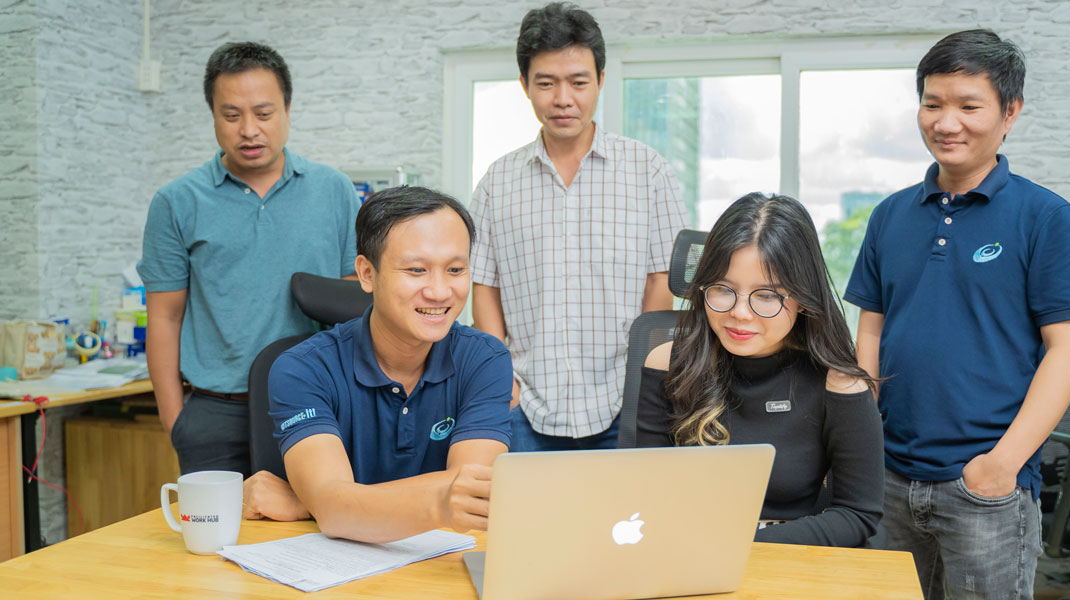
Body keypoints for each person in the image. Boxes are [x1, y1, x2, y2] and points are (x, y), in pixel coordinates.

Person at [845, 30, 1070, 599]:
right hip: (890, 479)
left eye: (969, 106)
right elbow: (871, 328)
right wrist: (863, 442)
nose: (946, 122)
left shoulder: (1046, 217)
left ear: (1010, 112)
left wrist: (1001, 466)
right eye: (933, 103)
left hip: (985, 489)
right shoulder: (889, 216)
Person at [471, 2, 687, 452]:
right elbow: (485, 288)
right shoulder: (498, 181)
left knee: (621, 522)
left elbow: (660, 283)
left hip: (623, 402)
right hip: (524, 405)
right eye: (546, 83)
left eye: (578, 82)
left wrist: (642, 381)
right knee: (525, 522)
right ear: (525, 86)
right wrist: (500, 382)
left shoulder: (647, 170)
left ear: (601, 81)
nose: (563, 99)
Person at [240, 186, 512, 542]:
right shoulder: (301, 368)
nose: (440, 291)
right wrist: (332, 506)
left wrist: (316, 504)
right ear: (367, 274)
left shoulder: (485, 360)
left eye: (456, 269)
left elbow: (472, 496)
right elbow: (338, 510)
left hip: (441, 566)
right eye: (416, 270)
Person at [138, 42, 359, 477]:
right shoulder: (176, 201)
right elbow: (164, 317)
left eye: (263, 113)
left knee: (317, 538)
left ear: (288, 110)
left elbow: (356, 300)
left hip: (316, 406)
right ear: (214, 117)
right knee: (211, 544)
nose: (249, 130)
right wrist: (176, 420)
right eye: (232, 115)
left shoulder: (333, 190)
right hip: (215, 414)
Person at [636, 193, 883, 548]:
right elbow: (644, 488)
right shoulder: (667, 362)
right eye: (723, 289)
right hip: (684, 551)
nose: (740, 313)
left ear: (802, 299)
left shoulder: (839, 382)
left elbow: (858, 514)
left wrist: (740, 546)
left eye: (766, 295)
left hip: (788, 558)